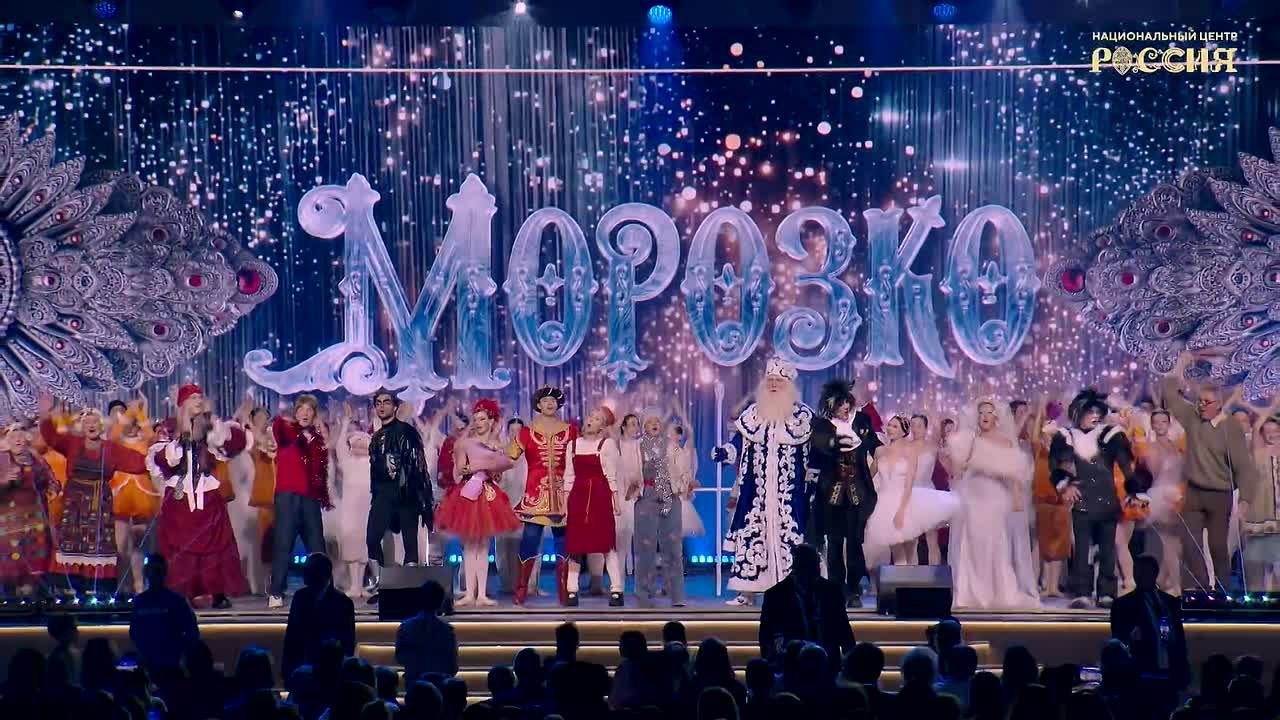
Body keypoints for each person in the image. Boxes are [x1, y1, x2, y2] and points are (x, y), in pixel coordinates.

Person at [713, 357, 816, 605]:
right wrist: (726, 452)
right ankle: (747, 591)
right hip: (756, 494)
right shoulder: (752, 414)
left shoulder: (803, 416)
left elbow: (816, 450)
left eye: (778, 381)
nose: (773, 385)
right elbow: (739, 442)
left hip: (790, 495)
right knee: (753, 535)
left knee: (792, 539)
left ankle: (797, 591)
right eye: (769, 380)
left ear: (788, 385)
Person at [1163, 352, 1260, 593]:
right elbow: (1170, 395)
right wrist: (1180, 364)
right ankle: (1200, 589)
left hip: (1220, 493)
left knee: (1218, 546)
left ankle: (1222, 589)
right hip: (1194, 491)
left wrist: (1246, 499)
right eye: (1199, 401)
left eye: (1207, 402)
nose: (1201, 405)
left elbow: (1243, 466)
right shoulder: (1192, 418)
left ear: (1218, 404)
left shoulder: (1230, 428)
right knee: (1190, 542)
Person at [147, 384, 249, 607]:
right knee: (179, 543)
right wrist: (184, 433)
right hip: (180, 495)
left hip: (206, 492)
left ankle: (217, 591)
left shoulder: (210, 426)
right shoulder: (169, 428)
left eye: (200, 397)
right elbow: (166, 460)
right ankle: (180, 592)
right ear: (182, 403)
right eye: (193, 397)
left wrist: (212, 422)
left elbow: (231, 445)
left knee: (216, 540)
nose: (198, 401)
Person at [37, 394, 151, 593]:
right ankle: (71, 590)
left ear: (102, 425)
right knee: (72, 544)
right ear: (82, 426)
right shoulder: (72, 443)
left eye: (95, 422)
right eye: (87, 422)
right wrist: (45, 413)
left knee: (98, 546)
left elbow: (139, 463)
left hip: (99, 507)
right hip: (74, 506)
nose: (91, 425)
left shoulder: (111, 449)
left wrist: (165, 458)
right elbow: (51, 437)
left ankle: (97, 590)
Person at [944, 398, 1039, 610]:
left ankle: (996, 592)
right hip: (972, 495)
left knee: (994, 543)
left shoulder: (1004, 441)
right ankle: (970, 593)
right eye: (981, 413)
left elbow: (1014, 472)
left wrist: (1017, 497)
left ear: (996, 417)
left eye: (988, 412)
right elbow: (959, 470)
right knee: (971, 543)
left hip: (994, 497)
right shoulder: (972, 440)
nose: (984, 416)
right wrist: (958, 458)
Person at [436, 399, 521, 607]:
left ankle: (481, 593)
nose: (478, 423)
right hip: (467, 493)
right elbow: (459, 471)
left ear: (491, 421)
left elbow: (500, 472)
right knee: (468, 547)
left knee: (483, 547)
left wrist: (492, 467)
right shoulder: (464, 443)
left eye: (482, 419)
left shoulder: (497, 446)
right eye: (476, 419)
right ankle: (469, 593)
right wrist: (471, 467)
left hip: (488, 494)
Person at [807, 380, 881, 607]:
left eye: (847, 403)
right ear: (831, 406)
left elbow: (874, 444)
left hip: (858, 492)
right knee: (835, 542)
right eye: (840, 404)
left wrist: (887, 454)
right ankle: (837, 589)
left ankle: (854, 589)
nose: (845, 408)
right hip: (832, 493)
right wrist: (835, 442)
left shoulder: (861, 421)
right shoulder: (822, 425)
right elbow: (819, 448)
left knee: (855, 542)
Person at [509, 385, 577, 606]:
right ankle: (521, 590)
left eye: (553, 400)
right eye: (545, 400)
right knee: (529, 541)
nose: (550, 403)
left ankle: (565, 592)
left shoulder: (570, 430)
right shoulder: (526, 432)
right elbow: (510, 456)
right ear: (538, 405)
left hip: (562, 496)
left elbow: (580, 457)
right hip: (534, 496)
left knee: (564, 543)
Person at [864, 415, 959, 565]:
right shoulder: (881, 451)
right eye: (889, 425)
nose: (890, 429)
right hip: (886, 501)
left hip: (913, 497)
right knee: (900, 548)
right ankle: (903, 577)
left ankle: (924, 576)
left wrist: (901, 511)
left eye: (895, 426)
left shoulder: (917, 451)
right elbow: (868, 477)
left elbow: (910, 483)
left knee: (922, 543)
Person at [367, 389, 433, 597]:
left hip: (406, 493)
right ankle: (380, 584)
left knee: (409, 543)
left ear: (395, 407)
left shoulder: (406, 431)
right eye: (378, 403)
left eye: (386, 402)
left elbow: (418, 466)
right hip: (383, 495)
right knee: (372, 538)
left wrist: (421, 497)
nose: (382, 406)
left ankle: (410, 590)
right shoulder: (376, 437)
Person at [268, 395, 332, 608]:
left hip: (310, 498)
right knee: (283, 543)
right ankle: (276, 591)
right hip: (287, 496)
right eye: (301, 409)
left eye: (309, 410)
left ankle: (325, 591)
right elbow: (278, 424)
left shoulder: (317, 440)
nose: (305, 413)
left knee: (317, 546)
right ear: (295, 412)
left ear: (314, 414)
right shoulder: (285, 432)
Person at [629, 408, 691, 608]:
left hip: (670, 497)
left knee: (673, 548)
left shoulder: (673, 447)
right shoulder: (637, 448)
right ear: (644, 427)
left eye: (657, 421)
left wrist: (685, 485)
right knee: (644, 548)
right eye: (650, 422)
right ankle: (643, 595)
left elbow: (685, 471)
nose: (654, 424)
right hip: (646, 497)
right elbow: (630, 473)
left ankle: (676, 595)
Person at [563, 406, 625, 607]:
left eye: (597, 419)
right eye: (591, 416)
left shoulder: (607, 444)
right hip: (578, 497)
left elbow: (611, 475)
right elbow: (569, 476)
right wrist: (564, 504)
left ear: (603, 427)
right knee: (575, 545)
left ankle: (616, 589)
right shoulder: (572, 445)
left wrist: (616, 502)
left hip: (600, 496)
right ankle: (572, 589)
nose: (591, 420)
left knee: (606, 542)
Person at [758, 544, 855, 672]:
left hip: (828, 665)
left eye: (817, 564)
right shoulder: (776, 595)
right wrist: (774, 661)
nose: (817, 569)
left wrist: (851, 662)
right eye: (812, 565)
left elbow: (843, 628)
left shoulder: (831, 591)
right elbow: (766, 634)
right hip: (793, 667)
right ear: (797, 566)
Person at [1109, 555, 1189, 690]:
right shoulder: (1122, 605)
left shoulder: (1170, 602)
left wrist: (1183, 672)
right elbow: (1119, 641)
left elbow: (1179, 639)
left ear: (1154, 574)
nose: (1139, 576)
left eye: (1144, 572)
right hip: (1140, 676)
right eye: (1137, 571)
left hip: (1171, 674)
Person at [106, 398, 159, 595]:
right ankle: (122, 586)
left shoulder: (144, 440)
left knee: (139, 545)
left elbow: (151, 436)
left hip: (142, 495)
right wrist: (128, 413)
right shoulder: (117, 442)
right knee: (121, 546)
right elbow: (113, 436)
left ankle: (139, 586)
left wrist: (140, 412)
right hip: (120, 495)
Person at [1134, 409, 1187, 594]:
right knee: (1169, 543)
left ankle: (1161, 581)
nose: (1160, 425)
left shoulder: (1177, 446)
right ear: (1152, 425)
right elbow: (1153, 474)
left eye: (1163, 421)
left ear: (1169, 423)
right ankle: (1176, 587)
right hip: (1161, 496)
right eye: (1156, 422)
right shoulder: (1150, 448)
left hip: (1178, 495)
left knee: (1176, 546)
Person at [0, 423, 57, 596]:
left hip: (34, 520)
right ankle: (10, 597)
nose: (17, 440)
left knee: (35, 558)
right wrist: (3, 481)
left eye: (20, 436)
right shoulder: (2, 459)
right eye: (13, 437)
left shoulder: (36, 459)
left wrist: (53, 488)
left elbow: (51, 480)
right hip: (9, 522)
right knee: (11, 560)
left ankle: (32, 595)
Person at [281, 553, 356, 678]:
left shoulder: (343, 602)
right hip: (301, 669)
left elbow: (348, 642)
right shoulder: (300, 597)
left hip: (331, 672)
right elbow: (291, 636)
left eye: (310, 571)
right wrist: (286, 671)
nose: (305, 575)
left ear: (325, 574)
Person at [128, 554, 199, 673]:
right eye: (150, 570)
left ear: (164, 573)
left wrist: (180, 652)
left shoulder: (176, 601)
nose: (153, 575)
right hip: (147, 666)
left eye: (157, 571)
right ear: (146, 573)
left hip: (171, 665)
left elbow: (192, 632)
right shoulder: (139, 602)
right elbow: (134, 632)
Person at [334, 405, 374, 598]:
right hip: (350, 512)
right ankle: (353, 585)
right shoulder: (347, 463)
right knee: (351, 547)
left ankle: (361, 585)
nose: (358, 449)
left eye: (362, 446)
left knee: (364, 547)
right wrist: (345, 423)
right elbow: (339, 446)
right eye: (355, 445)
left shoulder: (373, 464)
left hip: (367, 511)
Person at [395, 580, 459, 682]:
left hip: (414, 684)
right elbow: (453, 666)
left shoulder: (405, 627)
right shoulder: (447, 631)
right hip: (439, 685)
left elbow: (400, 658)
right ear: (440, 603)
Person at [1244, 415, 1280, 591]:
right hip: (1264, 514)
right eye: (1268, 431)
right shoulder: (1258, 453)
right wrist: (1270, 408)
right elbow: (1257, 425)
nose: (1272, 434)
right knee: (1264, 560)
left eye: (1276, 431)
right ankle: (1264, 593)